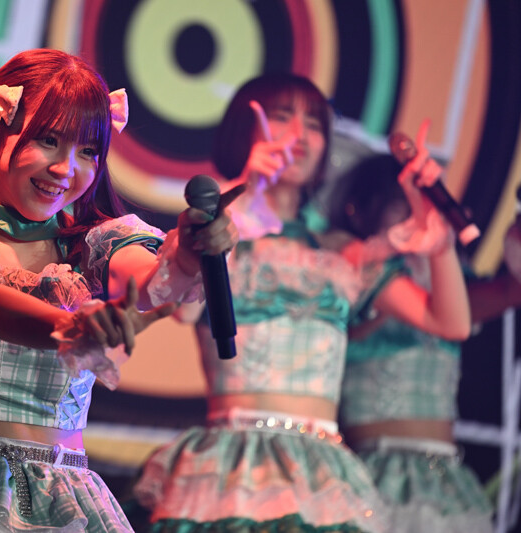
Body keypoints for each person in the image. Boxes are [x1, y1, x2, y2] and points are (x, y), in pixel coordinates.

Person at [0, 49, 240, 532]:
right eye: (49, 141)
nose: (65, 169)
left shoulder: (91, 244)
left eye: (87, 152)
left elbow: (149, 279)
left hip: (67, 499)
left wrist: (189, 255)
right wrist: (70, 326)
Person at [133, 73, 471, 532]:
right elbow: (182, 308)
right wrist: (245, 190)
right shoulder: (222, 230)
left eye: (313, 123)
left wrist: (439, 243)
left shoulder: (342, 253)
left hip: (322, 472)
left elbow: (449, 322)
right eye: (281, 116)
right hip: (234, 464)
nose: (299, 134)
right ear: (243, 132)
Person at [327, 153, 521, 532]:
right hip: (373, 466)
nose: (418, 212)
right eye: (404, 202)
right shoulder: (348, 272)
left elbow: (505, 294)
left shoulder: (449, 283)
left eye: (427, 202)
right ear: (360, 210)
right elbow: (347, 328)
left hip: (442, 474)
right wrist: (396, 263)